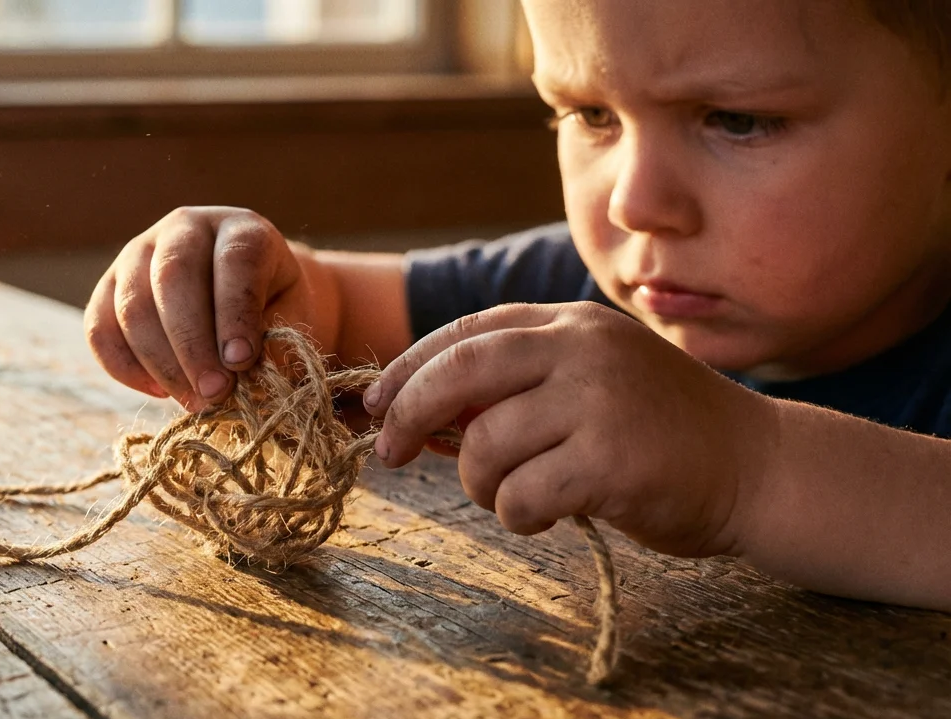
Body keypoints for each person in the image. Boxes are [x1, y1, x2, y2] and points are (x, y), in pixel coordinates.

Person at [83, 0, 951, 612]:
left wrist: (747, 471)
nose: (633, 204)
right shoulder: (576, 287)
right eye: (589, 114)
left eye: (737, 120)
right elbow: (337, 314)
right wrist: (242, 282)